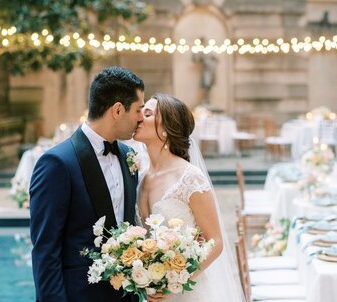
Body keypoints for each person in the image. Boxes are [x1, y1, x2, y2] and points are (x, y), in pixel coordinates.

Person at [29, 66, 145, 302]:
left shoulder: (128, 156)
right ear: (118, 110)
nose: (141, 118)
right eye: (138, 110)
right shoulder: (57, 163)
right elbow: (45, 250)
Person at [133, 93, 245, 302]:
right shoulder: (138, 175)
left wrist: (175, 283)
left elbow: (215, 241)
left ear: (165, 129)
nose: (138, 117)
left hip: (186, 292)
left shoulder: (189, 177)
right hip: (146, 291)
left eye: (147, 114)